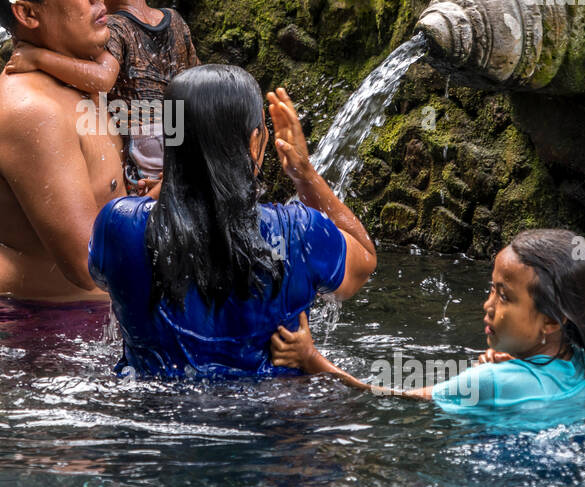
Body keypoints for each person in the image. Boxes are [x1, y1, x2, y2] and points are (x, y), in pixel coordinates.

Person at [87, 65, 377, 377]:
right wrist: (304, 174)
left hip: (150, 415)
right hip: (269, 420)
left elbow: (105, 276)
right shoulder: (300, 233)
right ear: (255, 143)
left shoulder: (118, 225)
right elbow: (363, 260)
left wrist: (177, 175)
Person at [271, 229, 585, 426]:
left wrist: (313, 360)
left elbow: (385, 399)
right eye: (491, 289)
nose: (488, 304)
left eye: (504, 296)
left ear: (552, 321)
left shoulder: (491, 381)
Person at [0, 0, 125, 304]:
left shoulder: (81, 68)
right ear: (27, 13)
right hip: (44, 337)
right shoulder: (34, 112)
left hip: (90, 322)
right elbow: (89, 265)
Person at [5, 0, 198, 192]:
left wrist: (38, 57)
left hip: (144, 145)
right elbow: (196, 78)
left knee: (137, 203)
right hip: (180, 134)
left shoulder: (116, 28)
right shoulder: (175, 20)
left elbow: (103, 78)